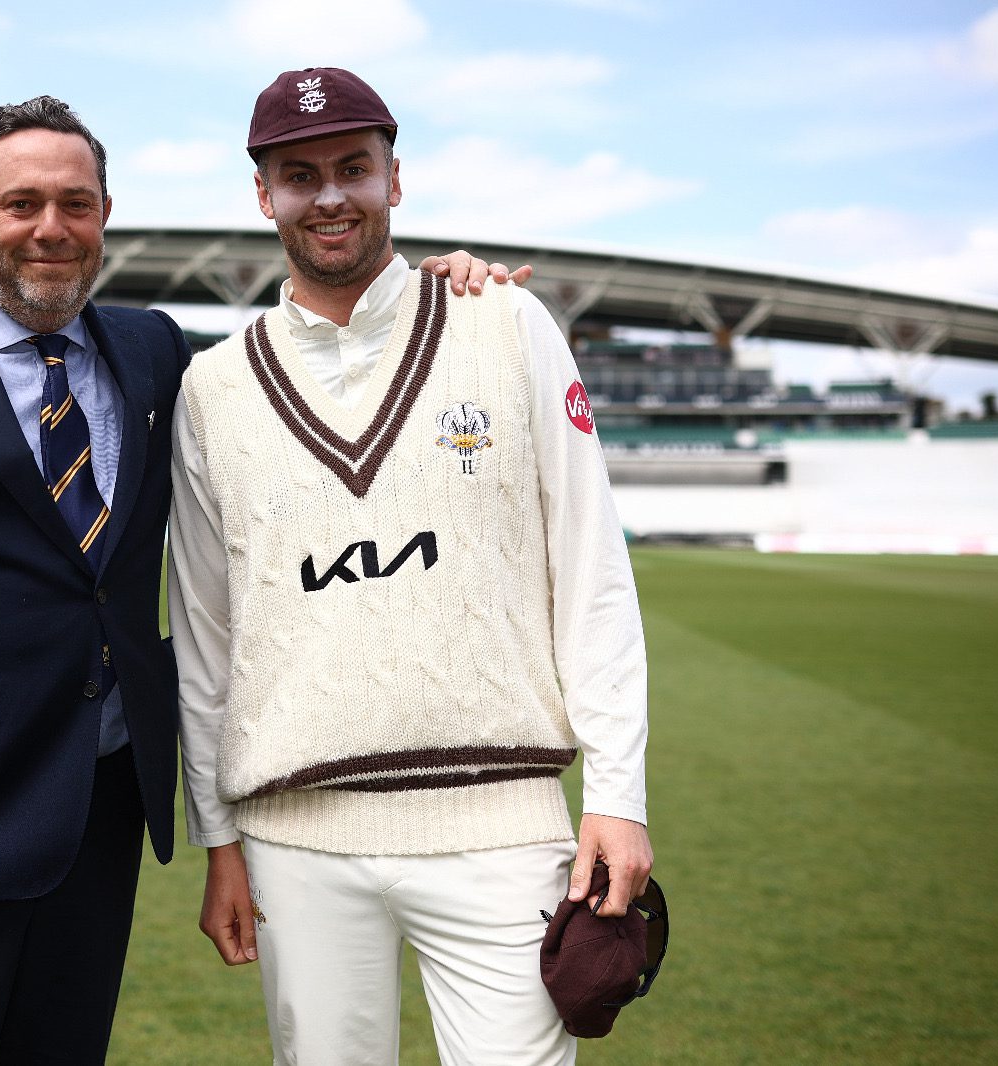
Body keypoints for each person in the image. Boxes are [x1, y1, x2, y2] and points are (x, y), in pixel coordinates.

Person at [0, 93, 526, 1063]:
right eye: (22, 203)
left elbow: (300, 369)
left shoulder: (153, 351)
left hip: (96, 815)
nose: (50, 228)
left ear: (104, 215)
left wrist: (430, 301)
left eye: (75, 204)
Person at [169, 68, 654, 1064]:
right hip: (296, 837)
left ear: (396, 177)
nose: (331, 195)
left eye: (354, 167)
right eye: (300, 176)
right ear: (264, 196)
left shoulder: (505, 324)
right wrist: (219, 836)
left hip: (500, 826)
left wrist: (618, 791)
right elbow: (207, 633)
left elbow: (592, 568)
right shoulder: (212, 387)